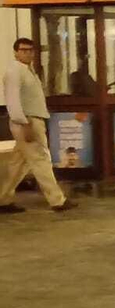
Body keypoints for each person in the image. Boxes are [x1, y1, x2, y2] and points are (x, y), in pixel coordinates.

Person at [2, 38, 75, 214]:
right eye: (23, 50)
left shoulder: (28, 70)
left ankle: (3, 199)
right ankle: (57, 200)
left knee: (19, 164)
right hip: (28, 121)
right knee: (41, 160)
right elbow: (13, 100)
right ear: (16, 52)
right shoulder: (15, 71)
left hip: (31, 120)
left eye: (30, 50)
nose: (27, 53)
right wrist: (24, 123)